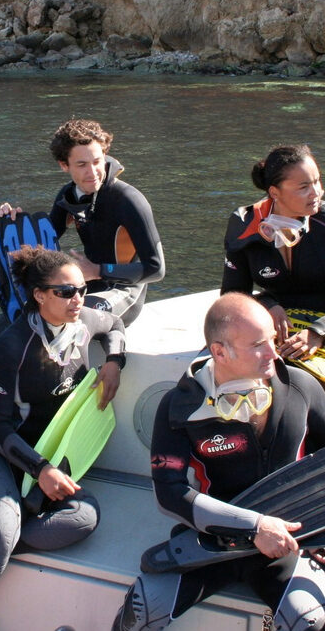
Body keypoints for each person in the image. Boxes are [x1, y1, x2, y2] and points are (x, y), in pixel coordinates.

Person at [0, 246, 126, 630]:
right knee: (1, 533)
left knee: (83, 519)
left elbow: (116, 326)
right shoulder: (13, 345)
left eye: (81, 289)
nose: (77, 299)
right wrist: (41, 470)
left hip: (49, 453)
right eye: (65, 292)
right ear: (39, 295)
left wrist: (114, 362)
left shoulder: (83, 320)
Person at [113, 292, 325, 631]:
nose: (274, 352)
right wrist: (255, 526)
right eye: (258, 344)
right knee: (142, 609)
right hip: (214, 541)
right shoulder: (179, 409)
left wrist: (321, 532)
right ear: (219, 351)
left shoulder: (300, 387)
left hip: (287, 542)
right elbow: (170, 494)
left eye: (272, 338)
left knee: (311, 620)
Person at [0, 118, 165, 326]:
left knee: (69, 316)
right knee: (8, 320)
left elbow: (156, 269)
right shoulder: (69, 197)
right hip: (85, 286)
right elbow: (43, 243)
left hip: (124, 291)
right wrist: (16, 221)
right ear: (64, 165)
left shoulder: (128, 201)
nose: (92, 172)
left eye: (97, 161)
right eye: (82, 164)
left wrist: (97, 271)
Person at [221, 143, 325, 361]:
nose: (316, 193)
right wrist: (266, 304)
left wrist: (318, 333)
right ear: (274, 192)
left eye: (317, 182)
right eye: (304, 187)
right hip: (279, 330)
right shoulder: (243, 224)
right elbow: (232, 296)